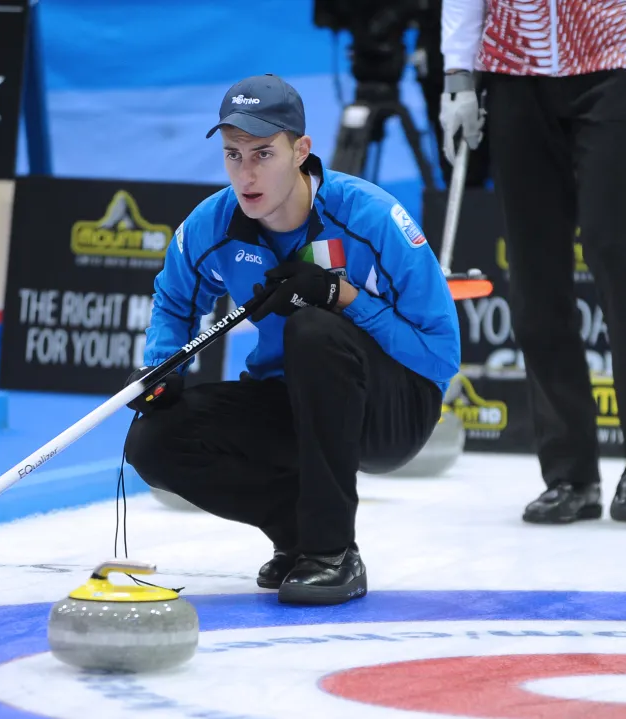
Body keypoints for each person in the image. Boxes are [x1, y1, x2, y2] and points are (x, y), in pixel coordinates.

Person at [123, 74, 461, 606]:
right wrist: (163, 370)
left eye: (263, 153)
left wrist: (345, 299)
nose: (247, 173)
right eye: (234, 155)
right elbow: (173, 302)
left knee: (314, 329)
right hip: (293, 398)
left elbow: (440, 355)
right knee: (154, 440)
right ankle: (299, 535)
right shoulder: (213, 224)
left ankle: (333, 554)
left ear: (301, 150)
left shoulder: (371, 218)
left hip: (394, 410)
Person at [439, 0, 626, 524]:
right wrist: (458, 72)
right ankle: (570, 474)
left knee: (615, 251)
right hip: (513, 64)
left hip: (616, 59)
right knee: (533, 269)